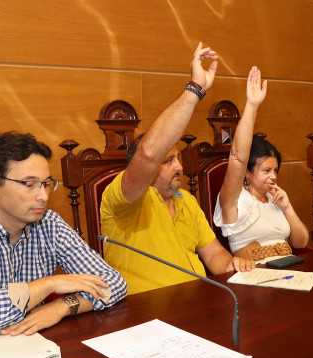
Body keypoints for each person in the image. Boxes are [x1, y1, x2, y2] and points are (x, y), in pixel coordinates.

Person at [0, 132, 127, 338]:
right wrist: (49, 284)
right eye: (29, 184)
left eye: (46, 184)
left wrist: (64, 306)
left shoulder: (49, 224)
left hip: (33, 345)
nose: (43, 196)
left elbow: (114, 283)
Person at [100, 43, 255, 294]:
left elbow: (214, 254)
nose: (180, 167)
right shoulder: (122, 200)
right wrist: (195, 89)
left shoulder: (188, 202)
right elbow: (149, 153)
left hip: (197, 305)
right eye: (169, 160)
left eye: (178, 159)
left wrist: (232, 264)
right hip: (144, 318)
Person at [213, 66, 309, 260]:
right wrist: (252, 106)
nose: (273, 176)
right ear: (247, 173)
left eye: (275, 170)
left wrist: (287, 207)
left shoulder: (275, 199)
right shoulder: (234, 200)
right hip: (254, 273)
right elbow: (237, 158)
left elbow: (301, 243)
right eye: (266, 170)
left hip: (288, 267)